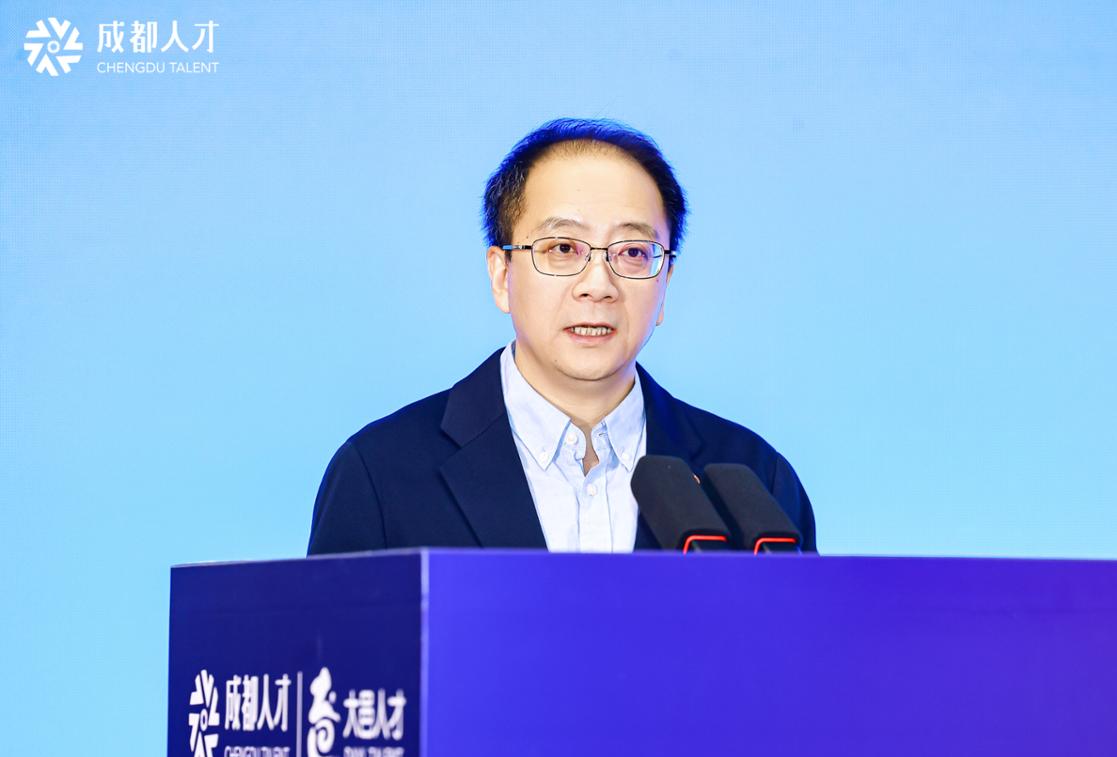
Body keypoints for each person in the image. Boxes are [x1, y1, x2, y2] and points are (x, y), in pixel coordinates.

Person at [308, 118, 815, 555]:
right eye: (563, 248)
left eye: (633, 253)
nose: (598, 285)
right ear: (501, 275)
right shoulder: (380, 475)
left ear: (665, 283)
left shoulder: (756, 483)